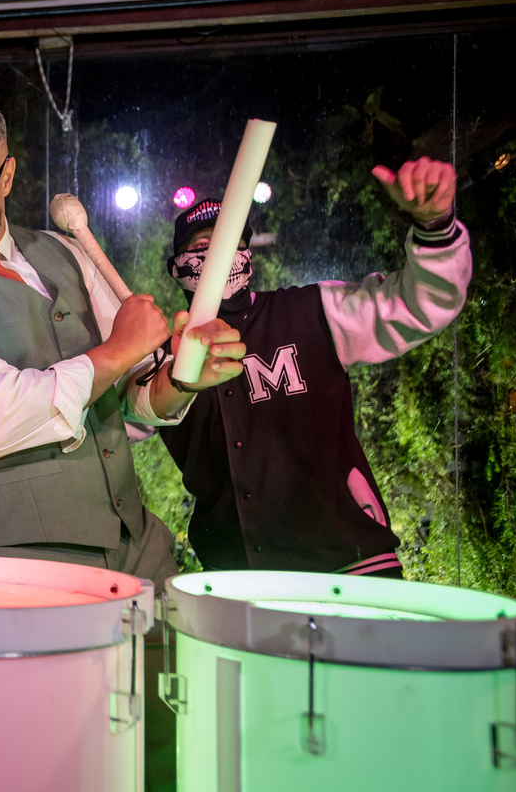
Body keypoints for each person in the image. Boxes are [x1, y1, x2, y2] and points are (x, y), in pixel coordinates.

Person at [0, 95, 245, 590]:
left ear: (6, 178)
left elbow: (128, 398)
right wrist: (121, 348)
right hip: (7, 572)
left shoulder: (66, 250)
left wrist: (182, 377)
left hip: (137, 549)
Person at [158, 157, 471, 577]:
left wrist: (435, 227)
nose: (215, 256)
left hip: (351, 569)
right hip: (237, 586)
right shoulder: (158, 362)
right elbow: (105, 423)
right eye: (201, 246)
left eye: (228, 242)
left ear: (247, 254)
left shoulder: (314, 311)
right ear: (177, 267)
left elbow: (420, 306)